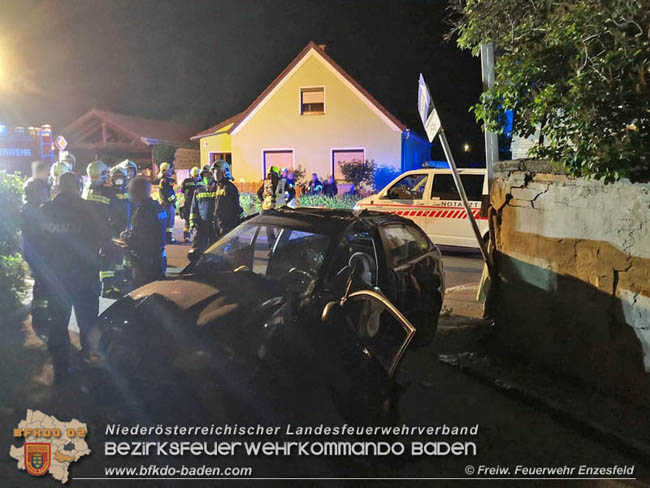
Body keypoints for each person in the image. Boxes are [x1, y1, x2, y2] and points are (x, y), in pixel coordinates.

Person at [37, 172, 108, 384]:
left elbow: (34, 244)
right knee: (88, 323)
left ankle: (61, 370)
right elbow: (106, 240)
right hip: (85, 278)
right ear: (78, 186)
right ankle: (90, 366)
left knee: (58, 324)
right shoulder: (90, 209)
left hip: (56, 278)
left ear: (58, 187)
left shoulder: (45, 211)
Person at [21, 160, 51, 339]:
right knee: (42, 283)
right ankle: (39, 318)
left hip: (34, 249)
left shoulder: (29, 207)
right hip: (38, 250)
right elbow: (40, 232)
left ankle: (40, 316)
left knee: (42, 282)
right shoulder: (35, 210)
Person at [121, 177, 167, 288]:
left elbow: (138, 240)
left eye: (130, 191)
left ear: (137, 192)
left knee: (143, 296)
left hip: (144, 264)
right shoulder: (158, 207)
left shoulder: (141, 213)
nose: (129, 194)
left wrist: (125, 237)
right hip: (160, 259)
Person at [82, 161, 114, 298]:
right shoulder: (103, 189)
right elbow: (108, 210)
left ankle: (97, 286)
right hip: (101, 230)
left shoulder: (87, 187)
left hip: (88, 230)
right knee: (106, 257)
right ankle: (106, 287)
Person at [106, 165, 131, 296]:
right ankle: (111, 285)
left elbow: (132, 208)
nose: (118, 180)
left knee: (122, 258)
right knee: (113, 258)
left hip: (125, 228)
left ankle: (120, 282)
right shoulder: (108, 192)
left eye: (120, 177)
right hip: (112, 229)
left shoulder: (127, 191)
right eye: (116, 177)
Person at [189, 165, 217, 255]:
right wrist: (192, 222)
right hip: (202, 224)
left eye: (209, 175)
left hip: (215, 224)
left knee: (215, 247)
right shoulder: (198, 191)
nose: (207, 177)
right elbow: (194, 208)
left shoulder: (219, 190)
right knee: (198, 247)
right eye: (204, 176)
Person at [212, 160, 243, 238]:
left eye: (218, 172)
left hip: (228, 224)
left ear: (225, 172)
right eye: (214, 172)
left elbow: (235, 206)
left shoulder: (230, 187)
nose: (216, 175)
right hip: (218, 223)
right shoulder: (216, 187)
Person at [157, 162, 177, 244]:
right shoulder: (164, 181)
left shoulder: (165, 180)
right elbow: (168, 193)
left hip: (166, 204)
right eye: (170, 169)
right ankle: (168, 238)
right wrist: (173, 199)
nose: (171, 171)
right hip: (167, 204)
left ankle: (167, 238)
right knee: (169, 222)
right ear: (165, 170)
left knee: (168, 221)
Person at [180, 166, 200, 242]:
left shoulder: (187, 181)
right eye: (195, 176)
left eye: (197, 176)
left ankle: (198, 237)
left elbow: (182, 190)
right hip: (189, 204)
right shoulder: (187, 181)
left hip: (195, 204)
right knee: (187, 222)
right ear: (191, 175)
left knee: (197, 221)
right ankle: (187, 237)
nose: (196, 178)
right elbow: (182, 190)